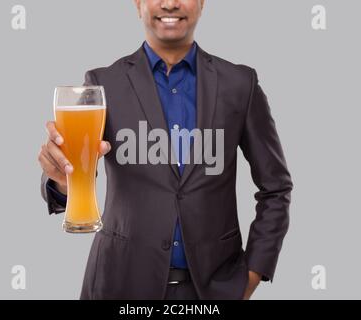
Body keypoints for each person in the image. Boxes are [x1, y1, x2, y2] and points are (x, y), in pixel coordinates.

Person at [38, 0, 293, 300]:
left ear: (201, 3)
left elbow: (276, 187)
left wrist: (252, 274)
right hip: (119, 285)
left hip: (212, 290)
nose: (170, 3)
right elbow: (76, 171)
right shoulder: (103, 83)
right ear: (138, 4)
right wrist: (60, 181)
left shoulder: (240, 83)